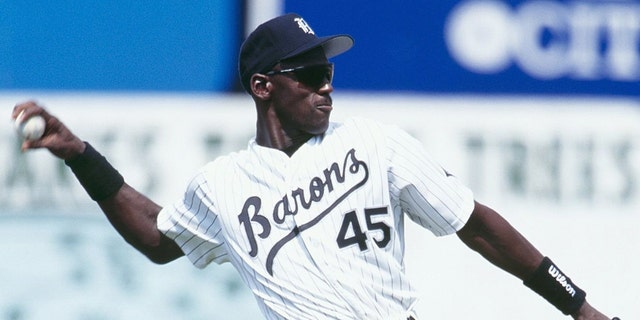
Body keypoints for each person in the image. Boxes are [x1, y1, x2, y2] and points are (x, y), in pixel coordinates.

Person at [11, 13, 618, 320]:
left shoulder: (375, 144)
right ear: (263, 86)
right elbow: (157, 237)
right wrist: (82, 157)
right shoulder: (222, 185)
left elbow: (477, 225)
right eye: (309, 74)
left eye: (328, 72)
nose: (326, 86)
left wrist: (579, 308)